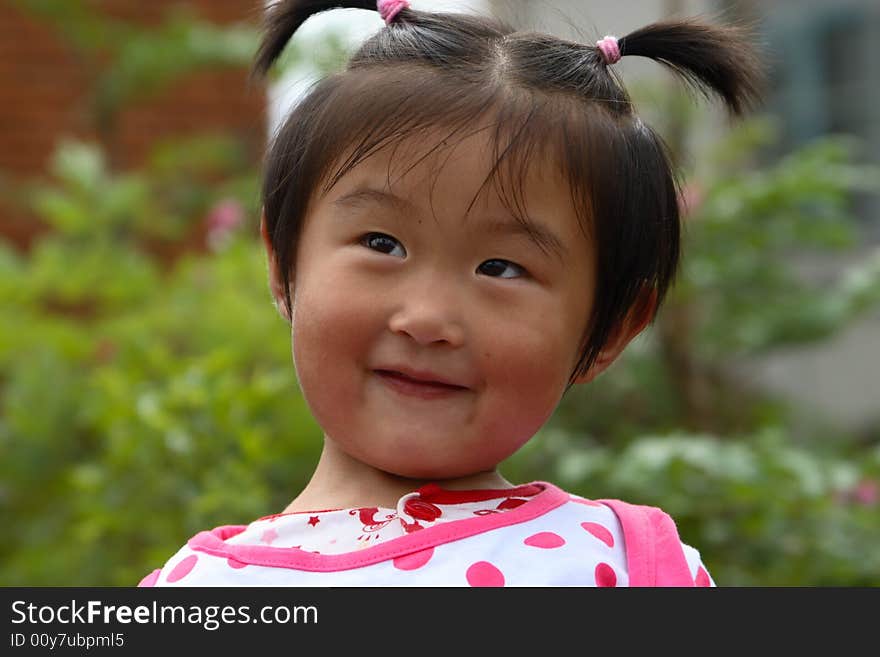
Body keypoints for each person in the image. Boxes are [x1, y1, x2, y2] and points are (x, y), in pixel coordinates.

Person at [139, 0, 763, 587]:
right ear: (284, 267)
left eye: (500, 267)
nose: (428, 319)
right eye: (381, 244)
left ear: (612, 328)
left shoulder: (628, 567)